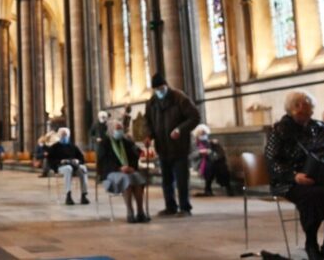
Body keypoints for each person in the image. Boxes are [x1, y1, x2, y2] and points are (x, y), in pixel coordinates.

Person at [265, 91, 324, 260]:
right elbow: (271, 161)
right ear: (297, 108)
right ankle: (311, 244)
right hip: (292, 181)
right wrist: (293, 176)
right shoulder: (279, 130)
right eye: (308, 105)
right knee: (313, 197)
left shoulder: (319, 127)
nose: (312, 110)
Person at [143, 73, 201, 217]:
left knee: (182, 179)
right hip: (162, 148)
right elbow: (147, 122)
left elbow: (194, 117)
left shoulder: (179, 98)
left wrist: (180, 129)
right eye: (156, 89)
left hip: (179, 147)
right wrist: (149, 135)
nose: (159, 91)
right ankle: (170, 207)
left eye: (161, 88)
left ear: (166, 85)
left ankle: (185, 208)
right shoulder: (152, 103)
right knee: (166, 180)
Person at [98, 121, 148, 223]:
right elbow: (104, 161)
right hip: (111, 172)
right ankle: (130, 212)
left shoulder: (126, 142)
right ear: (111, 130)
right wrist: (119, 168)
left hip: (127, 170)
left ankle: (140, 212)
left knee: (138, 177)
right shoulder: (104, 143)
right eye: (117, 129)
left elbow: (135, 156)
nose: (119, 131)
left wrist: (132, 167)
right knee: (126, 179)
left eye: (121, 129)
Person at [48, 128, 90, 205]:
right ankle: (68, 195)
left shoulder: (72, 146)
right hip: (61, 166)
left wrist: (77, 161)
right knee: (68, 169)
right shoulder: (54, 147)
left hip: (73, 165)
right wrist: (61, 161)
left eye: (65, 135)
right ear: (59, 136)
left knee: (83, 168)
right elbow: (50, 160)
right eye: (62, 135)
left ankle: (84, 194)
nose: (64, 136)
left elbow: (81, 158)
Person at [189, 124, 233, 197]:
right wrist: (200, 152)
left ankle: (227, 187)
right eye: (201, 134)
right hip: (200, 163)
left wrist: (214, 148)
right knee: (211, 165)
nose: (203, 135)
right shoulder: (194, 144)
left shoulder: (211, 142)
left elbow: (220, 154)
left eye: (204, 133)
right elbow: (190, 156)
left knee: (222, 166)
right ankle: (209, 188)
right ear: (197, 135)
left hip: (214, 162)